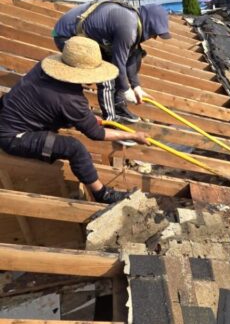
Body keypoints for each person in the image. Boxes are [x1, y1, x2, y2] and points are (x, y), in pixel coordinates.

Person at [0, 36, 150, 205]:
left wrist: (86, 118)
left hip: (6, 114)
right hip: (12, 136)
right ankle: (102, 194)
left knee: (64, 127)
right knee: (74, 148)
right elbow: (96, 134)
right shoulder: (72, 100)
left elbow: (54, 108)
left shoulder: (44, 67)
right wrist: (133, 135)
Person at [53, 0, 171, 123]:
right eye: (155, 33)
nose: (155, 38)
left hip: (89, 36)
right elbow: (118, 64)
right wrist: (126, 90)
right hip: (66, 36)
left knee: (135, 55)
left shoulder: (134, 22)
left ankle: (118, 105)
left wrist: (136, 87)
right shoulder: (128, 28)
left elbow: (131, 57)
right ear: (149, 25)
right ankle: (110, 119)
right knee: (107, 76)